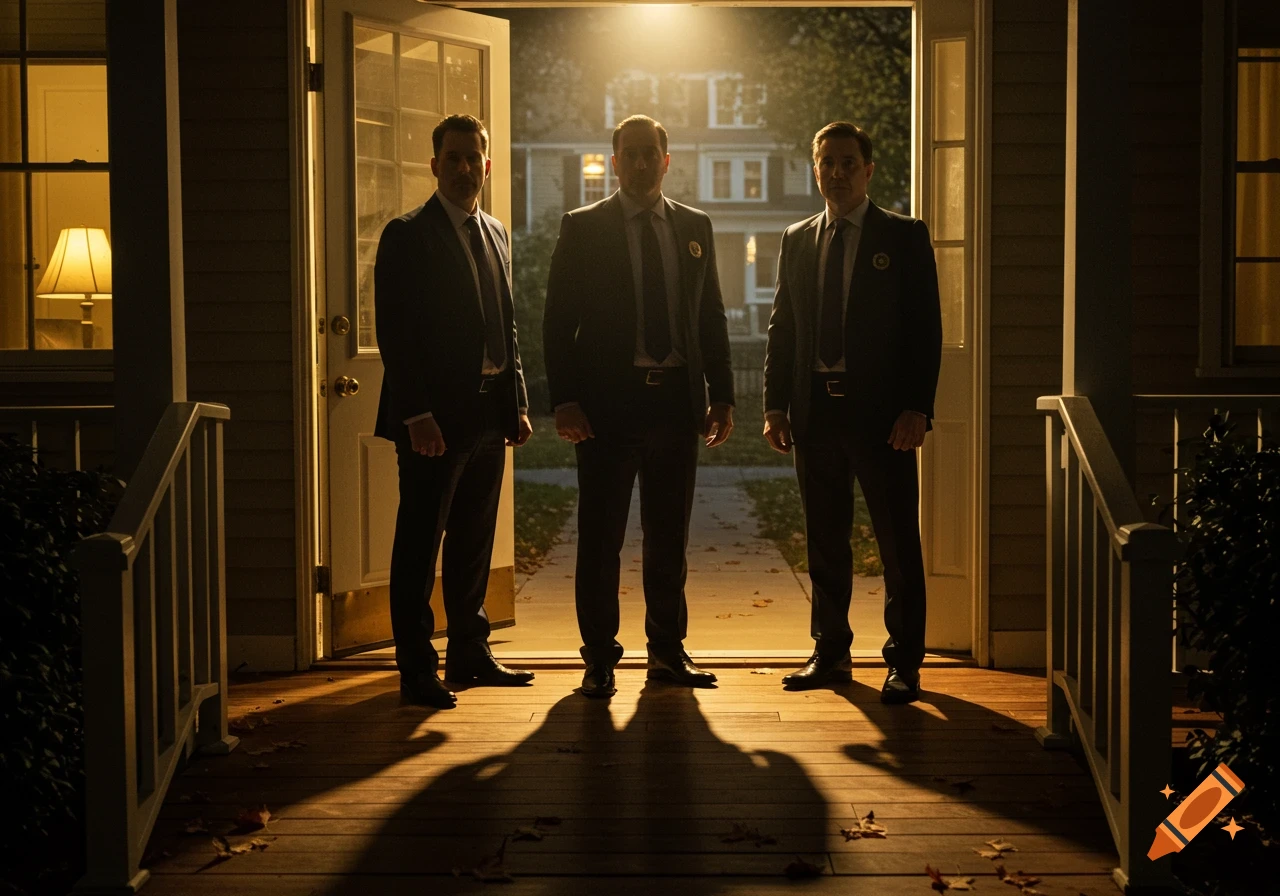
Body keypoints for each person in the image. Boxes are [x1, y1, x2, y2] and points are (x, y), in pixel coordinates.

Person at [543, 114, 735, 698]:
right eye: (632, 153)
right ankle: (599, 659)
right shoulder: (583, 228)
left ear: (667, 160)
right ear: (615, 161)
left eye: (652, 152)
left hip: (676, 406)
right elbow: (557, 322)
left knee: (668, 538)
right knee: (601, 539)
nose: (643, 162)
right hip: (606, 408)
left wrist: (722, 395)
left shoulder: (695, 227)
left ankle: (666, 654)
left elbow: (711, 317)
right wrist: (566, 400)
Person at [763, 121, 942, 704]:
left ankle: (904, 663)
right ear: (814, 169)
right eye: (827, 163)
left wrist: (917, 407)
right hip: (815, 413)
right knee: (825, 542)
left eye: (848, 163)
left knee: (896, 544)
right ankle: (831, 652)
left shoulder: (904, 235)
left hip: (883, 419)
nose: (836, 173)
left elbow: (925, 330)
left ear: (868, 170)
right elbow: (782, 328)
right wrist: (774, 405)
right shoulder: (797, 238)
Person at [373, 113, 535, 709]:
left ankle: (470, 649)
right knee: (419, 542)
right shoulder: (407, 234)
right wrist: (415, 414)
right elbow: (395, 332)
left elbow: (506, 327)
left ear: (487, 165)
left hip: (490, 414)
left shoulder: (494, 232)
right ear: (434, 164)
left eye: (475, 158)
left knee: (474, 539)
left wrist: (516, 402)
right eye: (455, 158)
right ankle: (417, 669)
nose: (466, 168)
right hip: (432, 423)